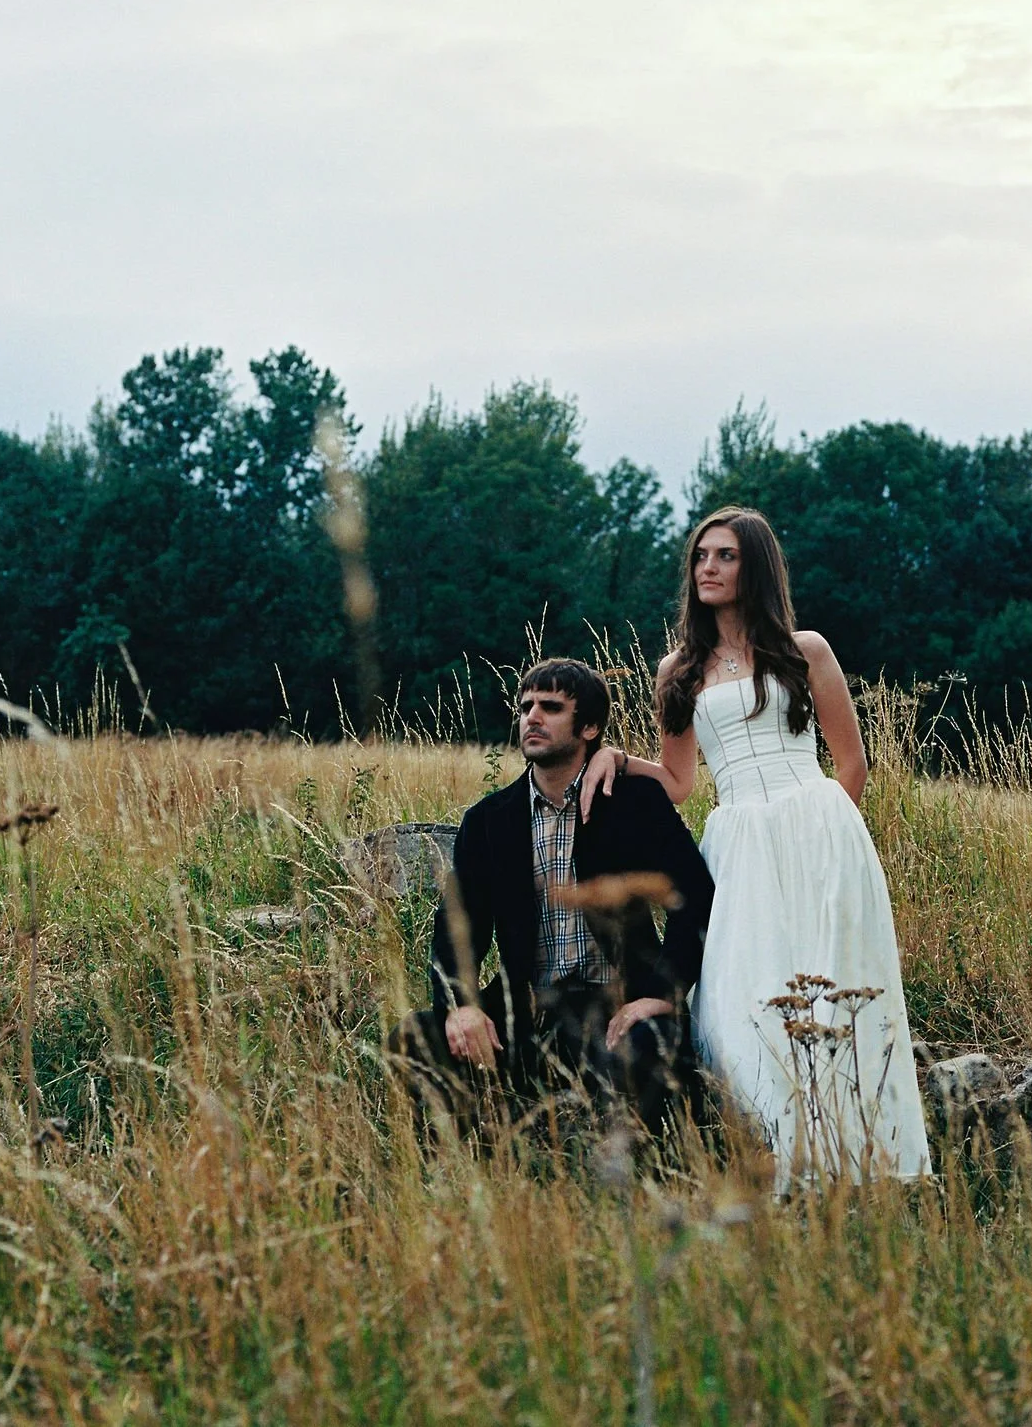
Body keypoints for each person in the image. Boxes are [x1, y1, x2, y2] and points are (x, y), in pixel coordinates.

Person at [582, 507, 932, 1188]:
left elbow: (852, 762)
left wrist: (830, 841)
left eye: (725, 555)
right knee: (740, 1002)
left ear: (756, 567)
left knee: (836, 998)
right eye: (700, 556)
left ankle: (864, 1167)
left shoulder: (806, 649)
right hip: (738, 843)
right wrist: (616, 757)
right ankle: (780, 1166)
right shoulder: (676, 670)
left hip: (818, 831)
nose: (707, 567)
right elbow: (681, 782)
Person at [388, 658, 714, 1134]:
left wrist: (660, 995)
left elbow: (696, 896)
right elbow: (457, 927)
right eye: (525, 707)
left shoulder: (634, 804)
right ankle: (485, 1147)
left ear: (589, 727)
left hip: (617, 1007)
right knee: (411, 1038)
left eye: (551, 707)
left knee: (651, 1050)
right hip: (526, 1010)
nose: (532, 717)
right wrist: (462, 1006)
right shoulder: (490, 820)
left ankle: (623, 1160)